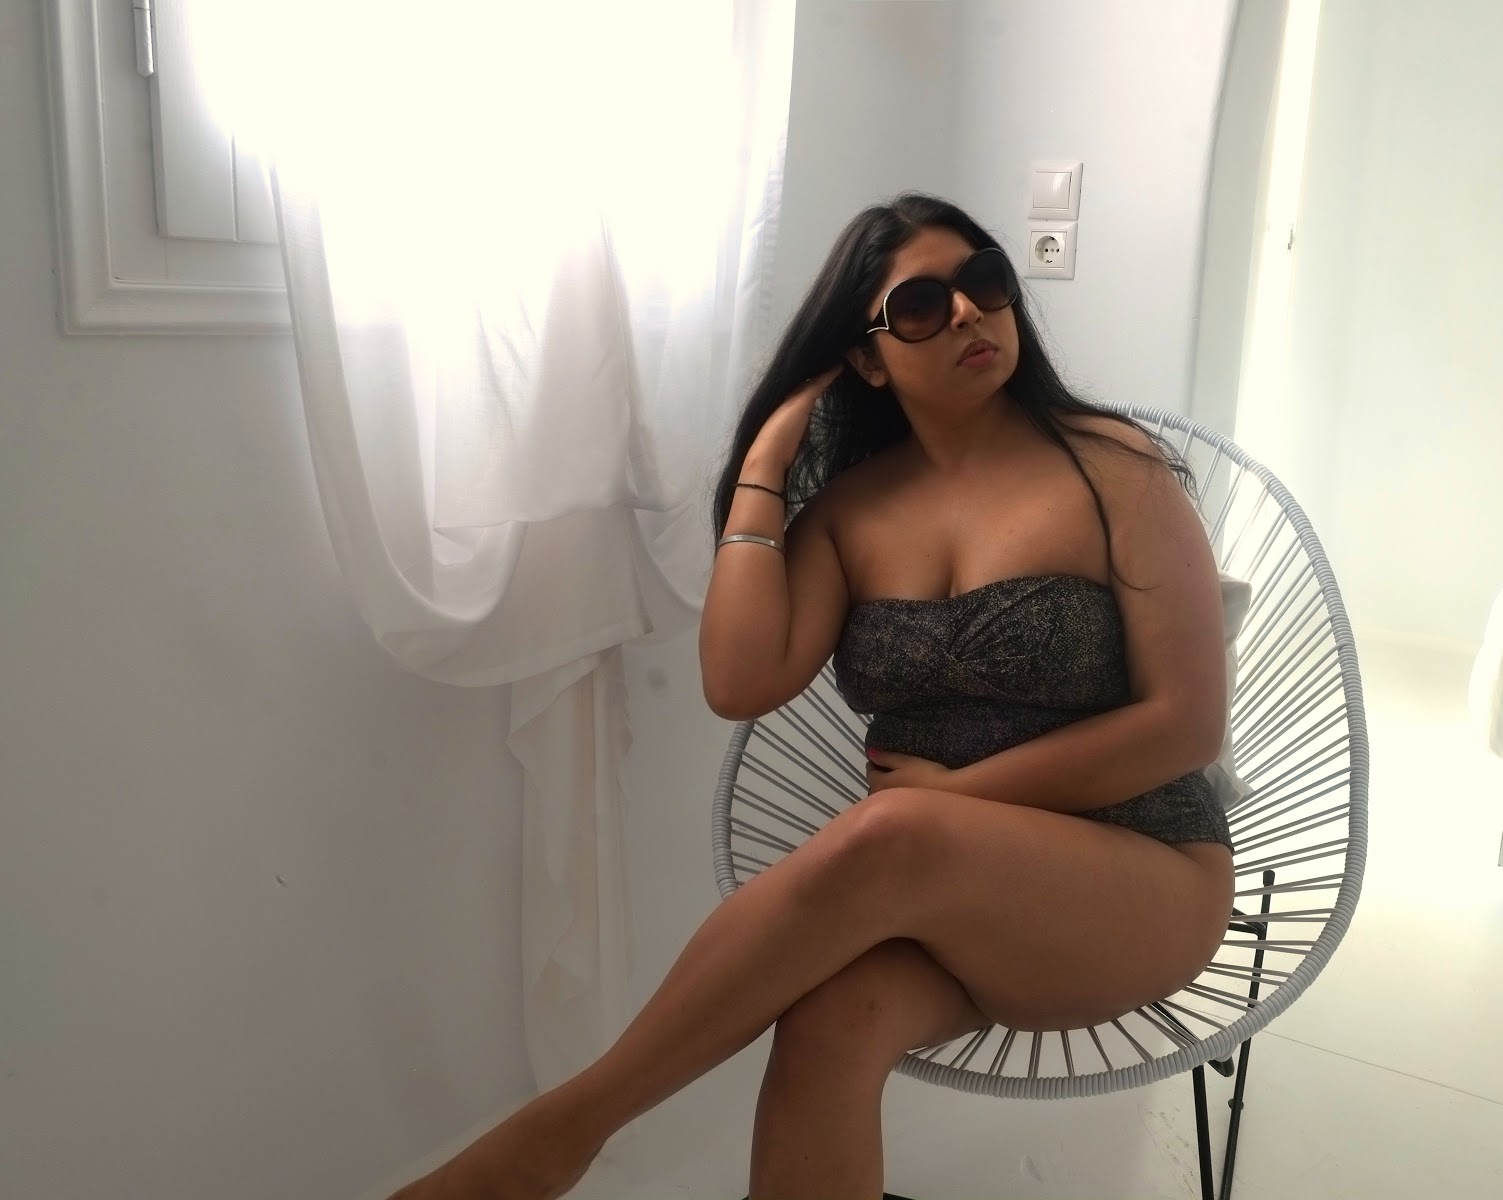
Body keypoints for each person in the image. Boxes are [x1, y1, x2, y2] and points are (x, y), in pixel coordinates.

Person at [390, 192, 1235, 1200]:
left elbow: (1186, 725)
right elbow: (738, 682)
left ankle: (558, 1134)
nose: (968, 312)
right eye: (920, 305)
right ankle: (560, 1138)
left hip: (1141, 872)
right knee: (828, 1023)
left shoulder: (1114, 469)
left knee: (894, 833)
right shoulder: (849, 515)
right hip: (947, 902)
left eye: (984, 281)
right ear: (867, 360)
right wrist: (765, 464)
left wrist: (953, 799)